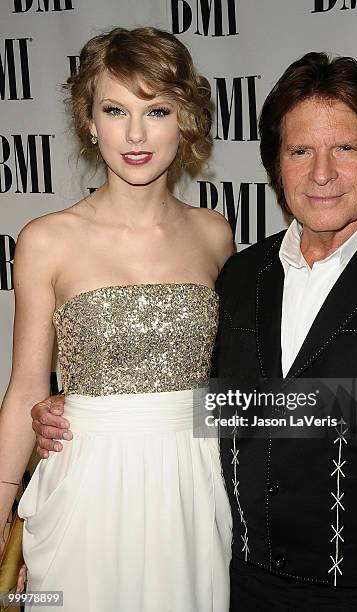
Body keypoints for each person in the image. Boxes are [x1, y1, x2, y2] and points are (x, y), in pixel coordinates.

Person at [31, 52, 357, 611]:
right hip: (238, 582)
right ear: (275, 164)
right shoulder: (241, 275)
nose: (321, 174)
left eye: (345, 148)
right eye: (300, 151)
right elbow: (218, 403)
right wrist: (86, 408)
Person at [0, 26, 233, 612]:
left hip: (192, 483)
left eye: (155, 111)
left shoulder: (215, 234)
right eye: (114, 109)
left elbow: (231, 379)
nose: (134, 134)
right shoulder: (45, 240)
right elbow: (27, 386)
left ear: (183, 120)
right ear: (89, 122)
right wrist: (1, 507)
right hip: (86, 485)